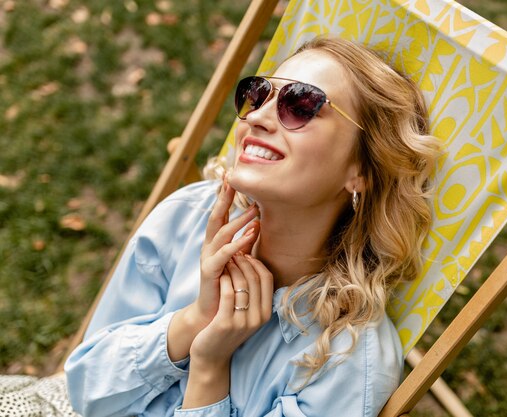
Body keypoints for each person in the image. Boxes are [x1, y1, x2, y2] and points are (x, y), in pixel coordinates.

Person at [65, 35, 440, 417]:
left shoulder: (345, 361)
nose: (257, 117)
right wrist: (193, 320)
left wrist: (210, 367)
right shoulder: (186, 217)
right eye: (258, 95)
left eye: (301, 104)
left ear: (362, 168)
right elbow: (83, 390)